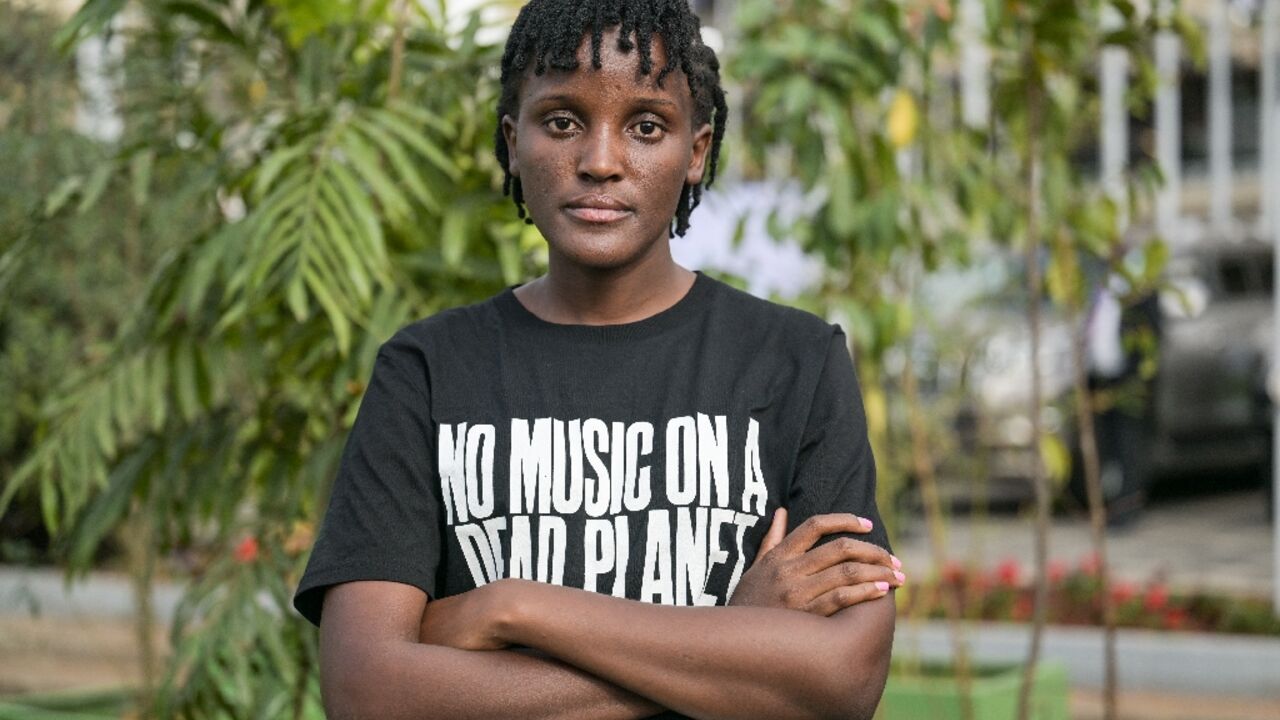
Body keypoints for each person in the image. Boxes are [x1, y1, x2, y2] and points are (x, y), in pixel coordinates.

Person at [293, 1, 902, 718]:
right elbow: (367, 693)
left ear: (696, 150)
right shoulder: (426, 371)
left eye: (646, 127)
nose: (601, 162)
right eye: (561, 122)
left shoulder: (797, 363)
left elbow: (845, 678)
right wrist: (732, 641)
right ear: (512, 142)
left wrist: (513, 609)